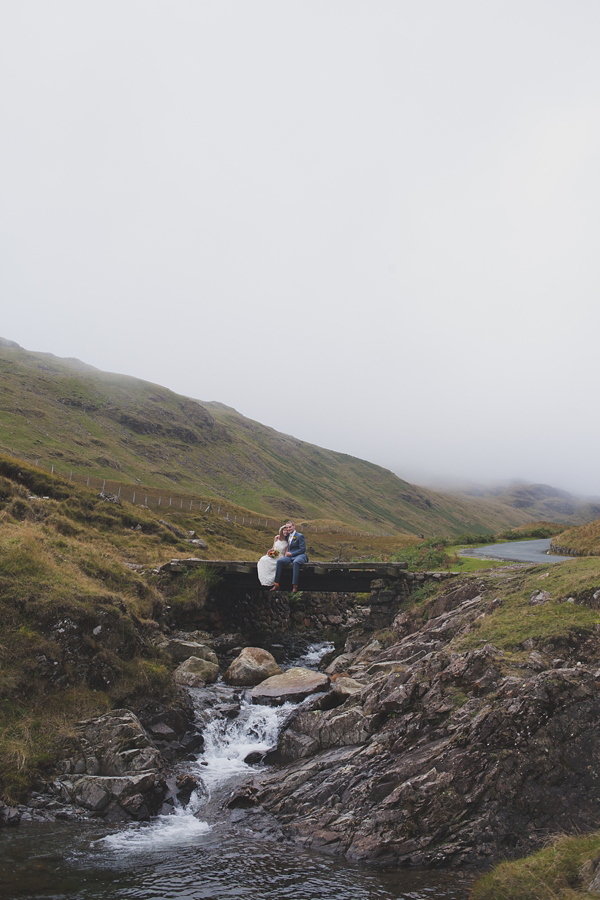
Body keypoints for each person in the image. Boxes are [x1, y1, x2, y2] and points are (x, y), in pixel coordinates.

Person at [271, 521, 308, 593]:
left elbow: (302, 549)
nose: (288, 529)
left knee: (296, 562)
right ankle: (276, 584)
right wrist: (278, 537)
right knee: (279, 561)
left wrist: (291, 553)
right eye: (287, 527)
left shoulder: (300, 536)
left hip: (299, 555)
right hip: (289, 557)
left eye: (290, 527)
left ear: (294, 527)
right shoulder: (287, 536)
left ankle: (295, 585)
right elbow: (282, 537)